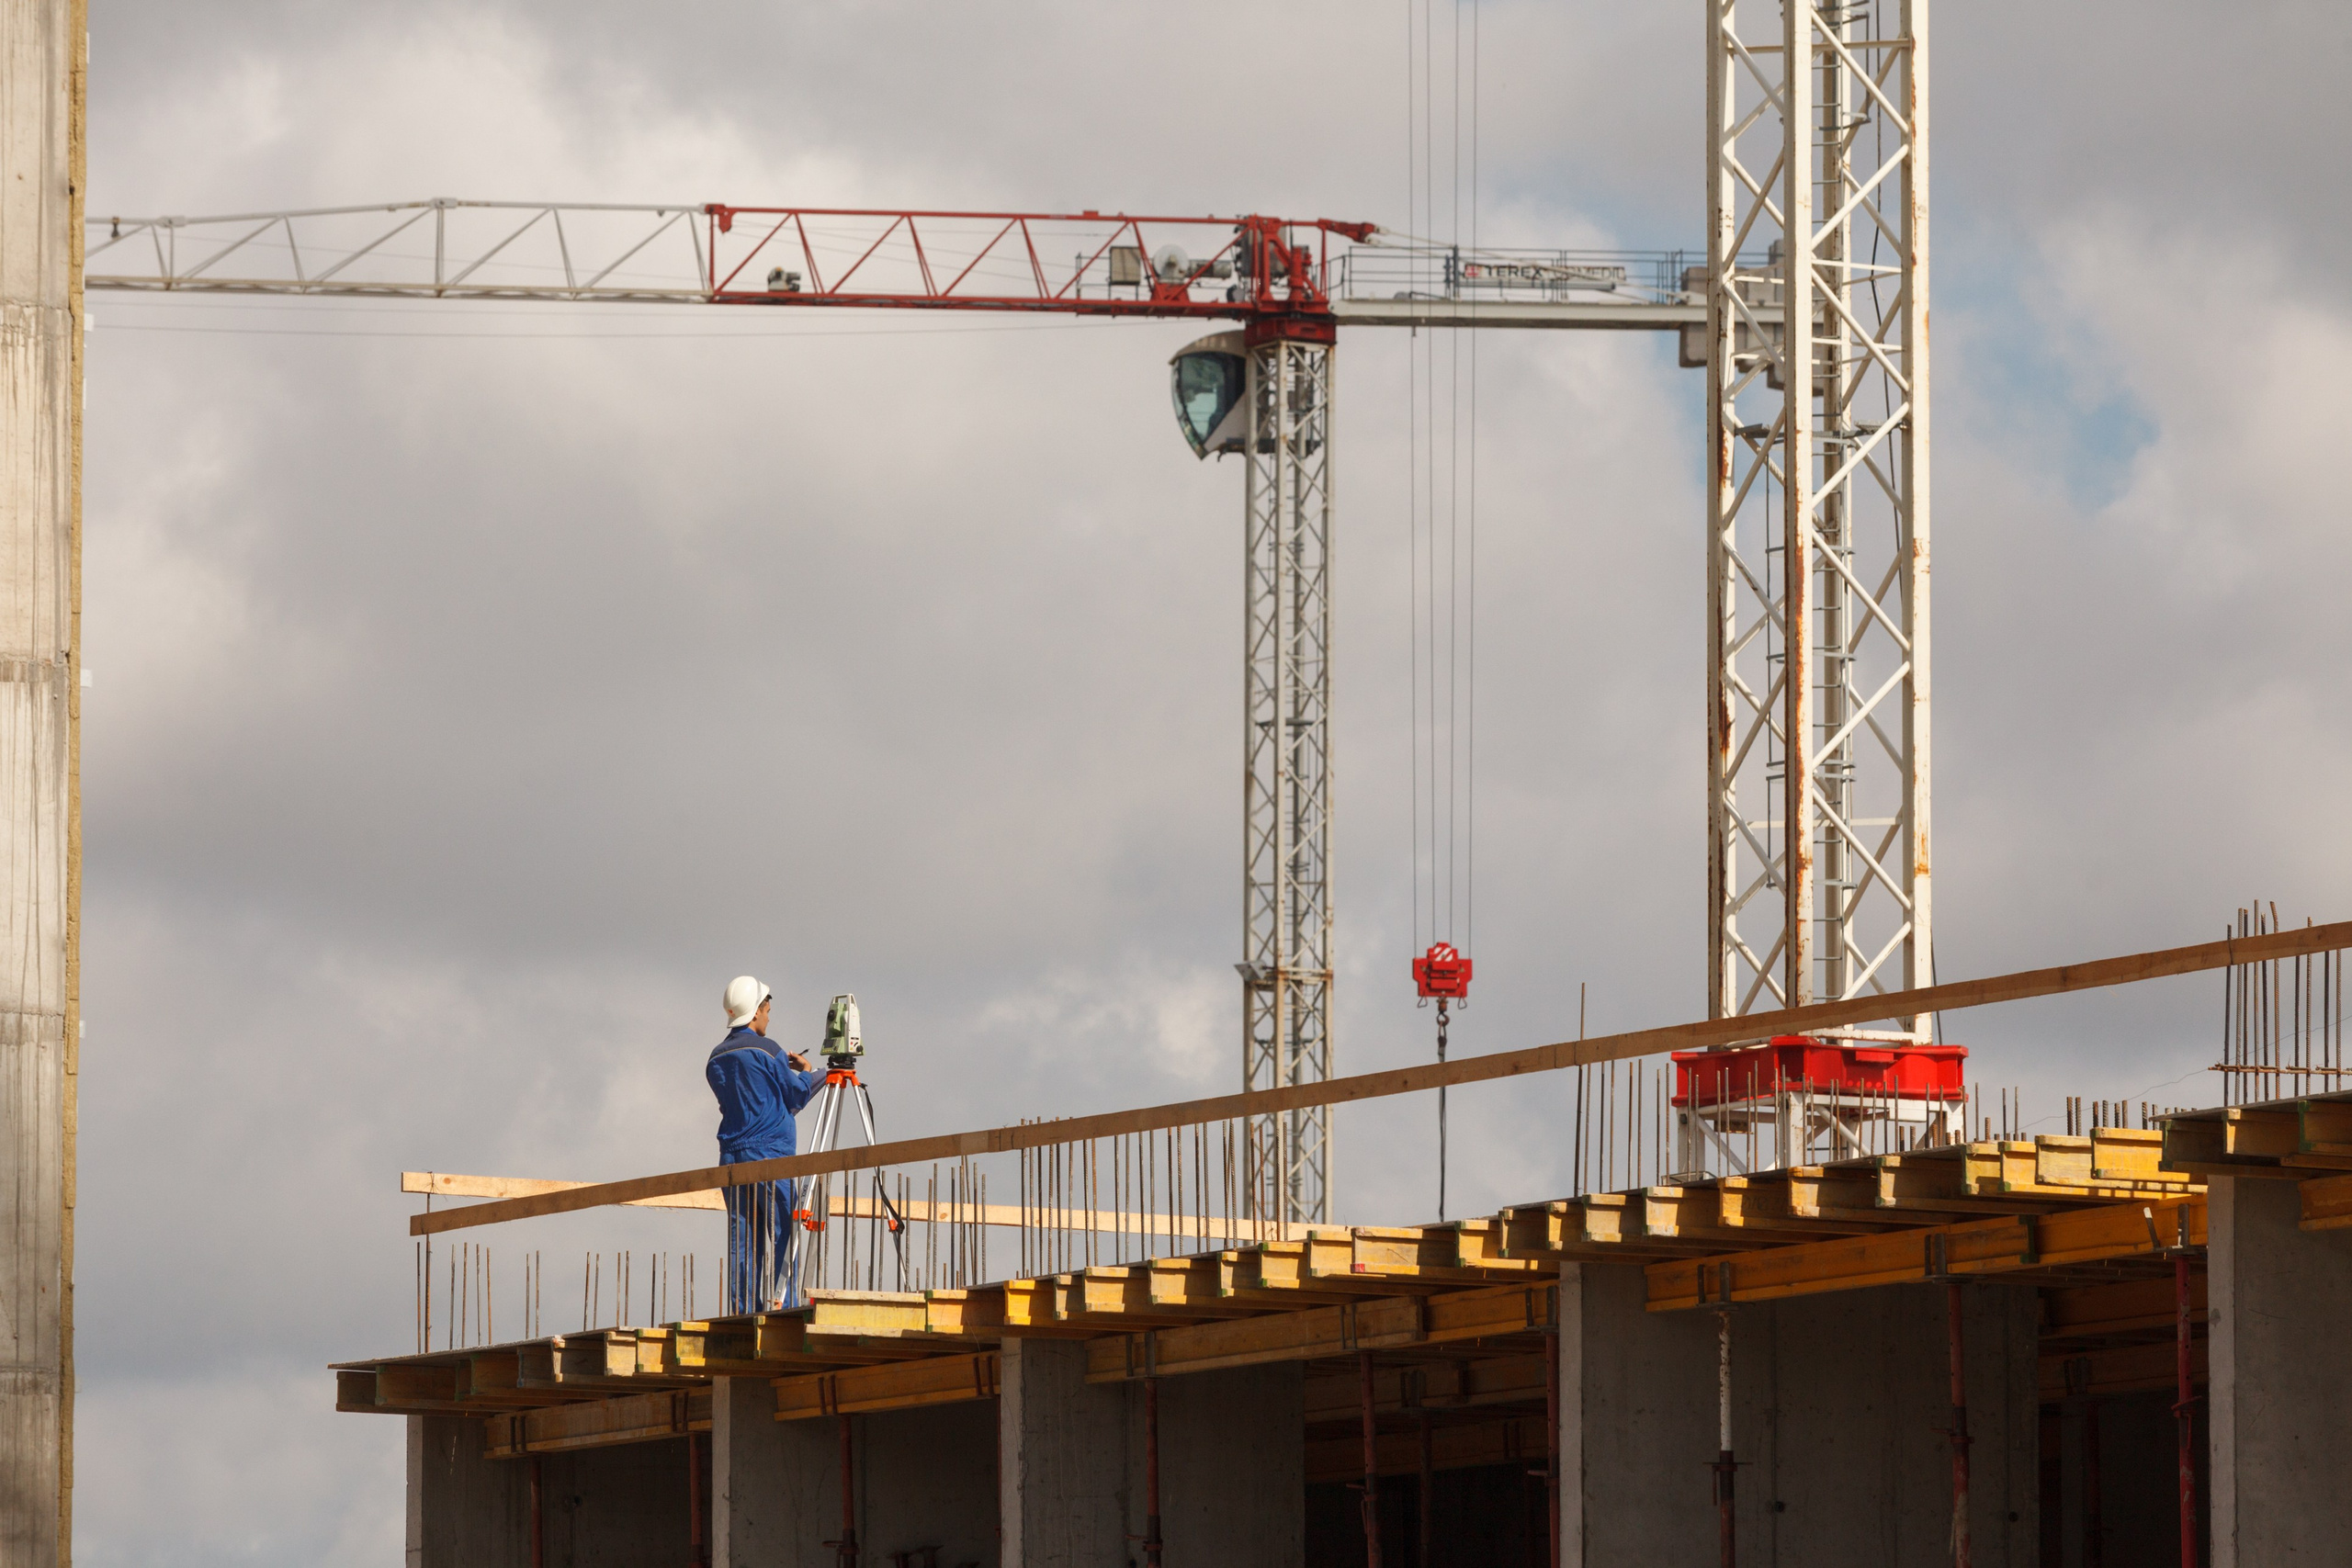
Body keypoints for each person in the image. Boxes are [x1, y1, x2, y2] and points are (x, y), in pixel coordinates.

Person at [707, 976, 825, 1312]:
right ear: (755, 1011)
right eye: (767, 1010)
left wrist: (779, 1077)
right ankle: (781, 1307)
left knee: (744, 1238)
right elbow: (795, 1094)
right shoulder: (768, 1049)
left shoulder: (715, 1058)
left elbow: (745, 1102)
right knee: (785, 1231)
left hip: (731, 1156)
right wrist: (809, 1072)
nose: (769, 1017)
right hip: (769, 1153)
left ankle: (743, 1312)